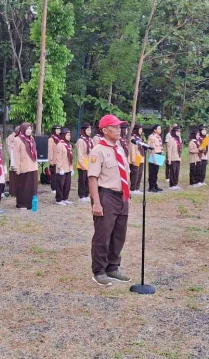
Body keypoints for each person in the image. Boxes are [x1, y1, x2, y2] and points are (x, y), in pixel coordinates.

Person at [88, 114, 132, 287]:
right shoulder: (98, 151)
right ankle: (99, 271)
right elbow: (92, 178)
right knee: (103, 235)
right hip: (106, 196)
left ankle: (112, 267)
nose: (119, 130)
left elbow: (124, 174)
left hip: (121, 197)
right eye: (115, 127)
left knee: (119, 234)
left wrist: (127, 196)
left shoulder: (120, 148)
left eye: (120, 127)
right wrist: (97, 202)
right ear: (105, 130)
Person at [12, 122, 39, 210]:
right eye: (27, 129)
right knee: (23, 186)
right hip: (23, 167)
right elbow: (16, 155)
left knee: (32, 186)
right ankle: (22, 204)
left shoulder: (32, 139)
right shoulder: (18, 139)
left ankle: (30, 204)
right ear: (23, 129)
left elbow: (35, 152)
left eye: (30, 129)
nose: (29, 131)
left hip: (33, 166)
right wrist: (17, 167)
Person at [54, 128, 74, 205]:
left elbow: (71, 157)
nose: (69, 136)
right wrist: (60, 168)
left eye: (69, 135)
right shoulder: (60, 144)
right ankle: (59, 199)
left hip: (68, 167)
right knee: (60, 184)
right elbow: (58, 158)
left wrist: (71, 168)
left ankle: (65, 198)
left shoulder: (69, 145)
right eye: (67, 135)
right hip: (61, 168)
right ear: (63, 135)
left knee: (67, 184)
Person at [76, 123, 94, 202]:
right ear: (83, 130)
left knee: (88, 180)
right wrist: (82, 164)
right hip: (83, 162)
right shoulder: (81, 140)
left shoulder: (91, 140)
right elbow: (80, 154)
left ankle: (87, 194)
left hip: (90, 163)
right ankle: (81, 195)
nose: (89, 131)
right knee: (82, 180)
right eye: (87, 130)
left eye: (90, 130)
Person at [128, 124, 145, 195]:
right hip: (136, 157)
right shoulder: (133, 138)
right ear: (136, 130)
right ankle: (133, 188)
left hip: (141, 157)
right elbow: (132, 150)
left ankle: (137, 188)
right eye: (139, 129)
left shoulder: (140, 137)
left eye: (141, 129)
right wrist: (133, 159)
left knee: (140, 173)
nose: (141, 131)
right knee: (135, 172)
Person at [147, 124, 164, 193]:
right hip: (154, 155)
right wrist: (153, 158)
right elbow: (151, 148)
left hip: (159, 154)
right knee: (152, 172)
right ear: (155, 130)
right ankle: (151, 187)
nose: (160, 130)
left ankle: (155, 185)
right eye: (159, 129)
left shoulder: (158, 137)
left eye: (160, 129)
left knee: (156, 171)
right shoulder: (152, 137)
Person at [6, 126, 20, 199]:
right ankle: (13, 191)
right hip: (13, 159)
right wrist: (13, 158)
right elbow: (8, 148)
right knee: (13, 176)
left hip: (20, 160)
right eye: (18, 129)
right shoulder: (11, 137)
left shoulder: (21, 137)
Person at [48, 124, 62, 194]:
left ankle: (58, 187)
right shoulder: (51, 139)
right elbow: (50, 150)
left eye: (59, 129)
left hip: (60, 159)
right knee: (54, 175)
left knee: (59, 174)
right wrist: (50, 160)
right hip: (53, 159)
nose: (59, 131)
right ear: (54, 130)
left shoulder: (60, 138)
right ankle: (53, 188)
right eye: (57, 129)